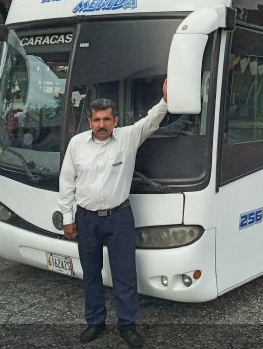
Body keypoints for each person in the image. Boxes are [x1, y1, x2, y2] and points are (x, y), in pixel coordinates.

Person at [58, 80, 168, 347]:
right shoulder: (76, 144)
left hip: (119, 218)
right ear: (89, 121)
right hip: (86, 219)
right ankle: (95, 322)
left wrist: (165, 100)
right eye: (96, 120)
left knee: (124, 274)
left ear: (115, 120)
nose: (101, 125)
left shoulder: (128, 138)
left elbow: (151, 121)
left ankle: (127, 325)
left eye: (107, 119)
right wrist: (68, 218)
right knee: (92, 274)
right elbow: (67, 181)